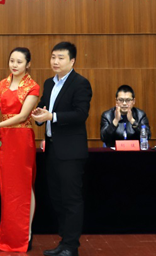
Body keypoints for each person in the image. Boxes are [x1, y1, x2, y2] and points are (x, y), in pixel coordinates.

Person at [31, 42, 92, 256]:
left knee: (71, 199)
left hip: (71, 152)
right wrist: (39, 116)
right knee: (57, 198)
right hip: (52, 149)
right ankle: (64, 241)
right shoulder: (49, 83)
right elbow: (45, 108)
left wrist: (52, 116)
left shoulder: (80, 83)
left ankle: (71, 246)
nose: (55, 61)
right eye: (53, 57)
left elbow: (80, 114)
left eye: (61, 58)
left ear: (72, 61)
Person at [0, 47, 40, 252]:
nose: (14, 65)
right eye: (12, 61)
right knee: (7, 188)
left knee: (24, 186)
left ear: (28, 64)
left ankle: (27, 233)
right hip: (5, 139)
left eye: (19, 62)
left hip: (22, 138)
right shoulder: (2, 84)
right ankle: (9, 233)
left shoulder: (32, 87)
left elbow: (23, 116)